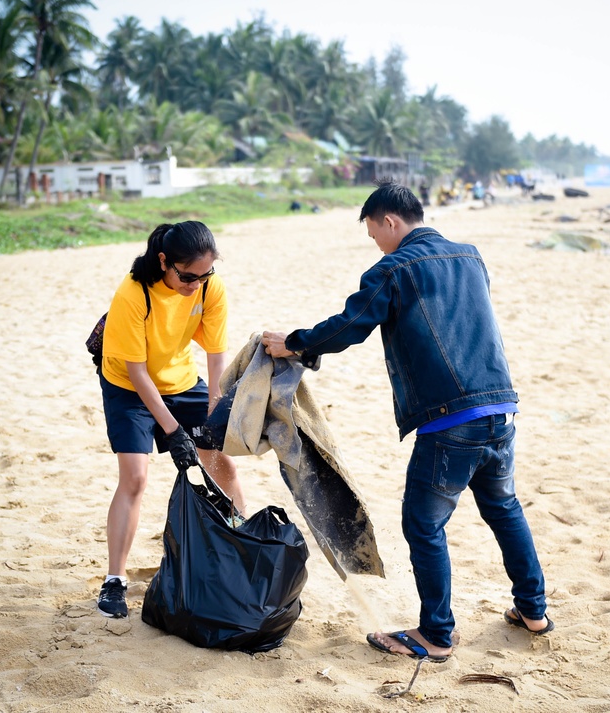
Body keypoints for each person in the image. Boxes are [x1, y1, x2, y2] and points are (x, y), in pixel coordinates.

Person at [262, 182, 551, 662]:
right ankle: (534, 611)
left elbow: (349, 326)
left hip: (450, 420)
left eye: (373, 230)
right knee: (503, 508)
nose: (374, 240)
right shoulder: (470, 256)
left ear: (389, 221)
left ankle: (436, 635)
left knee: (422, 524)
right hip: (500, 407)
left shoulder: (394, 267)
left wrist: (294, 342)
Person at [96, 221, 247, 619]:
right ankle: (114, 579)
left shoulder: (209, 286)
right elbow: (137, 372)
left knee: (221, 464)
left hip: (180, 380)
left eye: (204, 275)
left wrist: (215, 406)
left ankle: (244, 551)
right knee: (135, 478)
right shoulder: (134, 293)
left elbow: (215, 352)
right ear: (164, 261)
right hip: (128, 385)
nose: (195, 285)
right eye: (187, 277)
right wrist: (173, 431)